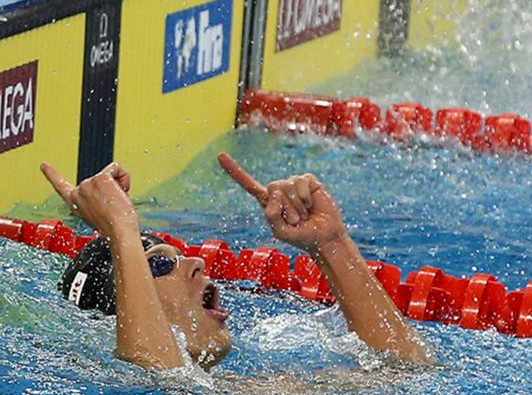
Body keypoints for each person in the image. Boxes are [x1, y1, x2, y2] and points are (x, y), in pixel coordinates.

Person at [39, 154, 431, 371]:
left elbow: (404, 369)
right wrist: (122, 232)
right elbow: (151, 377)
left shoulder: (244, 393)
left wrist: (332, 244)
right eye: (159, 265)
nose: (195, 263)